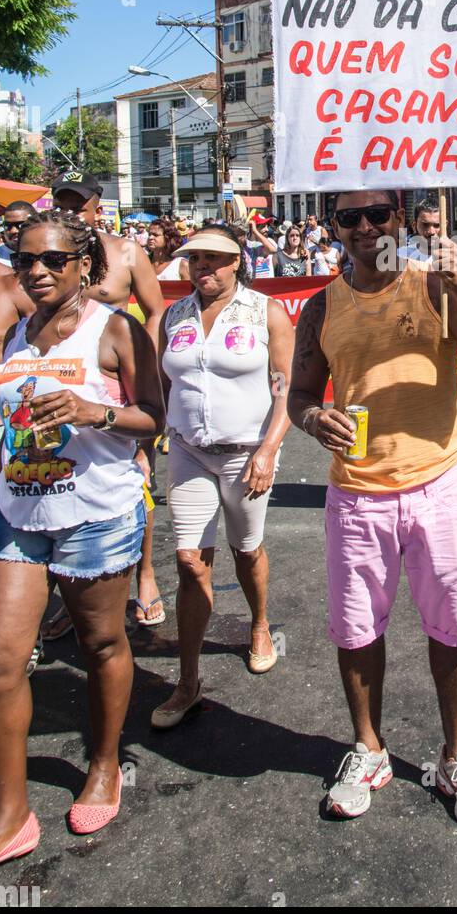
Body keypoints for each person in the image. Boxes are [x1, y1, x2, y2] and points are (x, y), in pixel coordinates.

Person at [287, 190, 457, 828]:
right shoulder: (320, 307)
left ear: (401, 220)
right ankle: (369, 748)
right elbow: (302, 393)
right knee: (356, 632)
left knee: (456, 627)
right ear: (335, 227)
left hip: (440, 484)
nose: (364, 228)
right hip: (357, 493)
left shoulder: (435, 284)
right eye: (349, 217)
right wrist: (313, 417)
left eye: (377, 215)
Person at [0, 210, 163, 862]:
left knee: (100, 643)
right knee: (5, 661)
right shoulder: (12, 332)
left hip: (95, 516)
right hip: (17, 512)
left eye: (53, 261)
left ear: (84, 265)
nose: (36, 272)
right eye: (25, 260)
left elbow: (153, 416)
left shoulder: (115, 330)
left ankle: (103, 763)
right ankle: (10, 811)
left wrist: (95, 411)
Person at [151, 225, 294, 729]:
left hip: (246, 455)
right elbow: (160, 382)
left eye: (215, 259)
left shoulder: (265, 312)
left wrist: (268, 449)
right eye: (196, 260)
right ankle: (187, 682)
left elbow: (285, 390)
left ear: (237, 263)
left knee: (246, 549)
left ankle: (258, 624)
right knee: (190, 559)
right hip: (189, 453)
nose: (203, 268)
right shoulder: (174, 316)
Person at [51, 171, 166, 629]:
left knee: (136, 477)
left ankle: (146, 575)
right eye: (62, 203)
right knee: (55, 476)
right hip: (59, 382)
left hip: (118, 379)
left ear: (97, 205)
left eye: (79, 204)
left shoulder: (126, 252)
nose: (71, 211)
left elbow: (155, 311)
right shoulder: (48, 255)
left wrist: (144, 366)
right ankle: (69, 594)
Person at [400, 198, 457, 272]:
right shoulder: (400, 256)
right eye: (425, 225)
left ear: (445, 225)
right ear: (414, 225)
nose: (431, 231)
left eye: (437, 225)